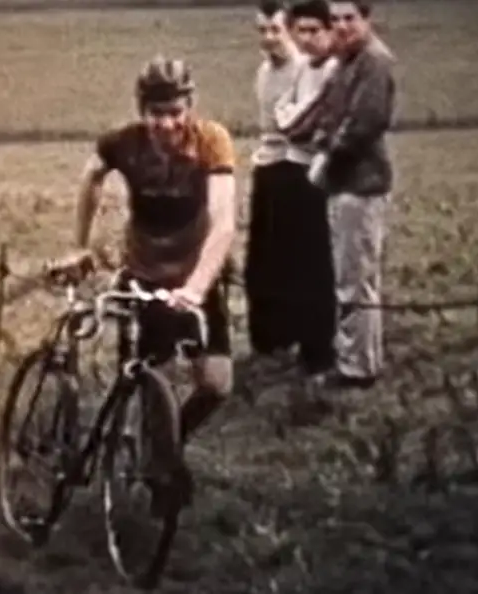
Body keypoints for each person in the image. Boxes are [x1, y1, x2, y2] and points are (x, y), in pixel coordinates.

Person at [61, 54, 238, 506]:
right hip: (145, 275)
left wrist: (197, 288)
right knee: (153, 378)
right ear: (143, 110)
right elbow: (91, 176)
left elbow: (223, 222)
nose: (167, 123)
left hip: (197, 276)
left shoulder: (211, 141)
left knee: (216, 384)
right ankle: (160, 467)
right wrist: (80, 245)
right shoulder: (126, 143)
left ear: (190, 107)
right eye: (157, 113)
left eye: (176, 112)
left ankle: (162, 445)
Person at [307, 0, 396, 389]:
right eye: (336, 19)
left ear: (366, 19)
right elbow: (329, 116)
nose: (342, 26)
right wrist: (323, 139)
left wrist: (326, 157)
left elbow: (365, 123)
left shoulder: (374, 61)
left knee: (356, 279)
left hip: (360, 184)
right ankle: (360, 358)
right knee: (351, 275)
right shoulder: (346, 61)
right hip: (345, 184)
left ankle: (358, 367)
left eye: (350, 18)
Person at [244, 0, 311, 366]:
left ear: (289, 30)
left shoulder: (304, 70)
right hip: (267, 166)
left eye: (275, 30)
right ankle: (269, 338)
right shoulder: (262, 73)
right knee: (262, 259)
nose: (268, 39)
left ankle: (299, 334)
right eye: (262, 31)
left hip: (296, 169)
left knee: (295, 258)